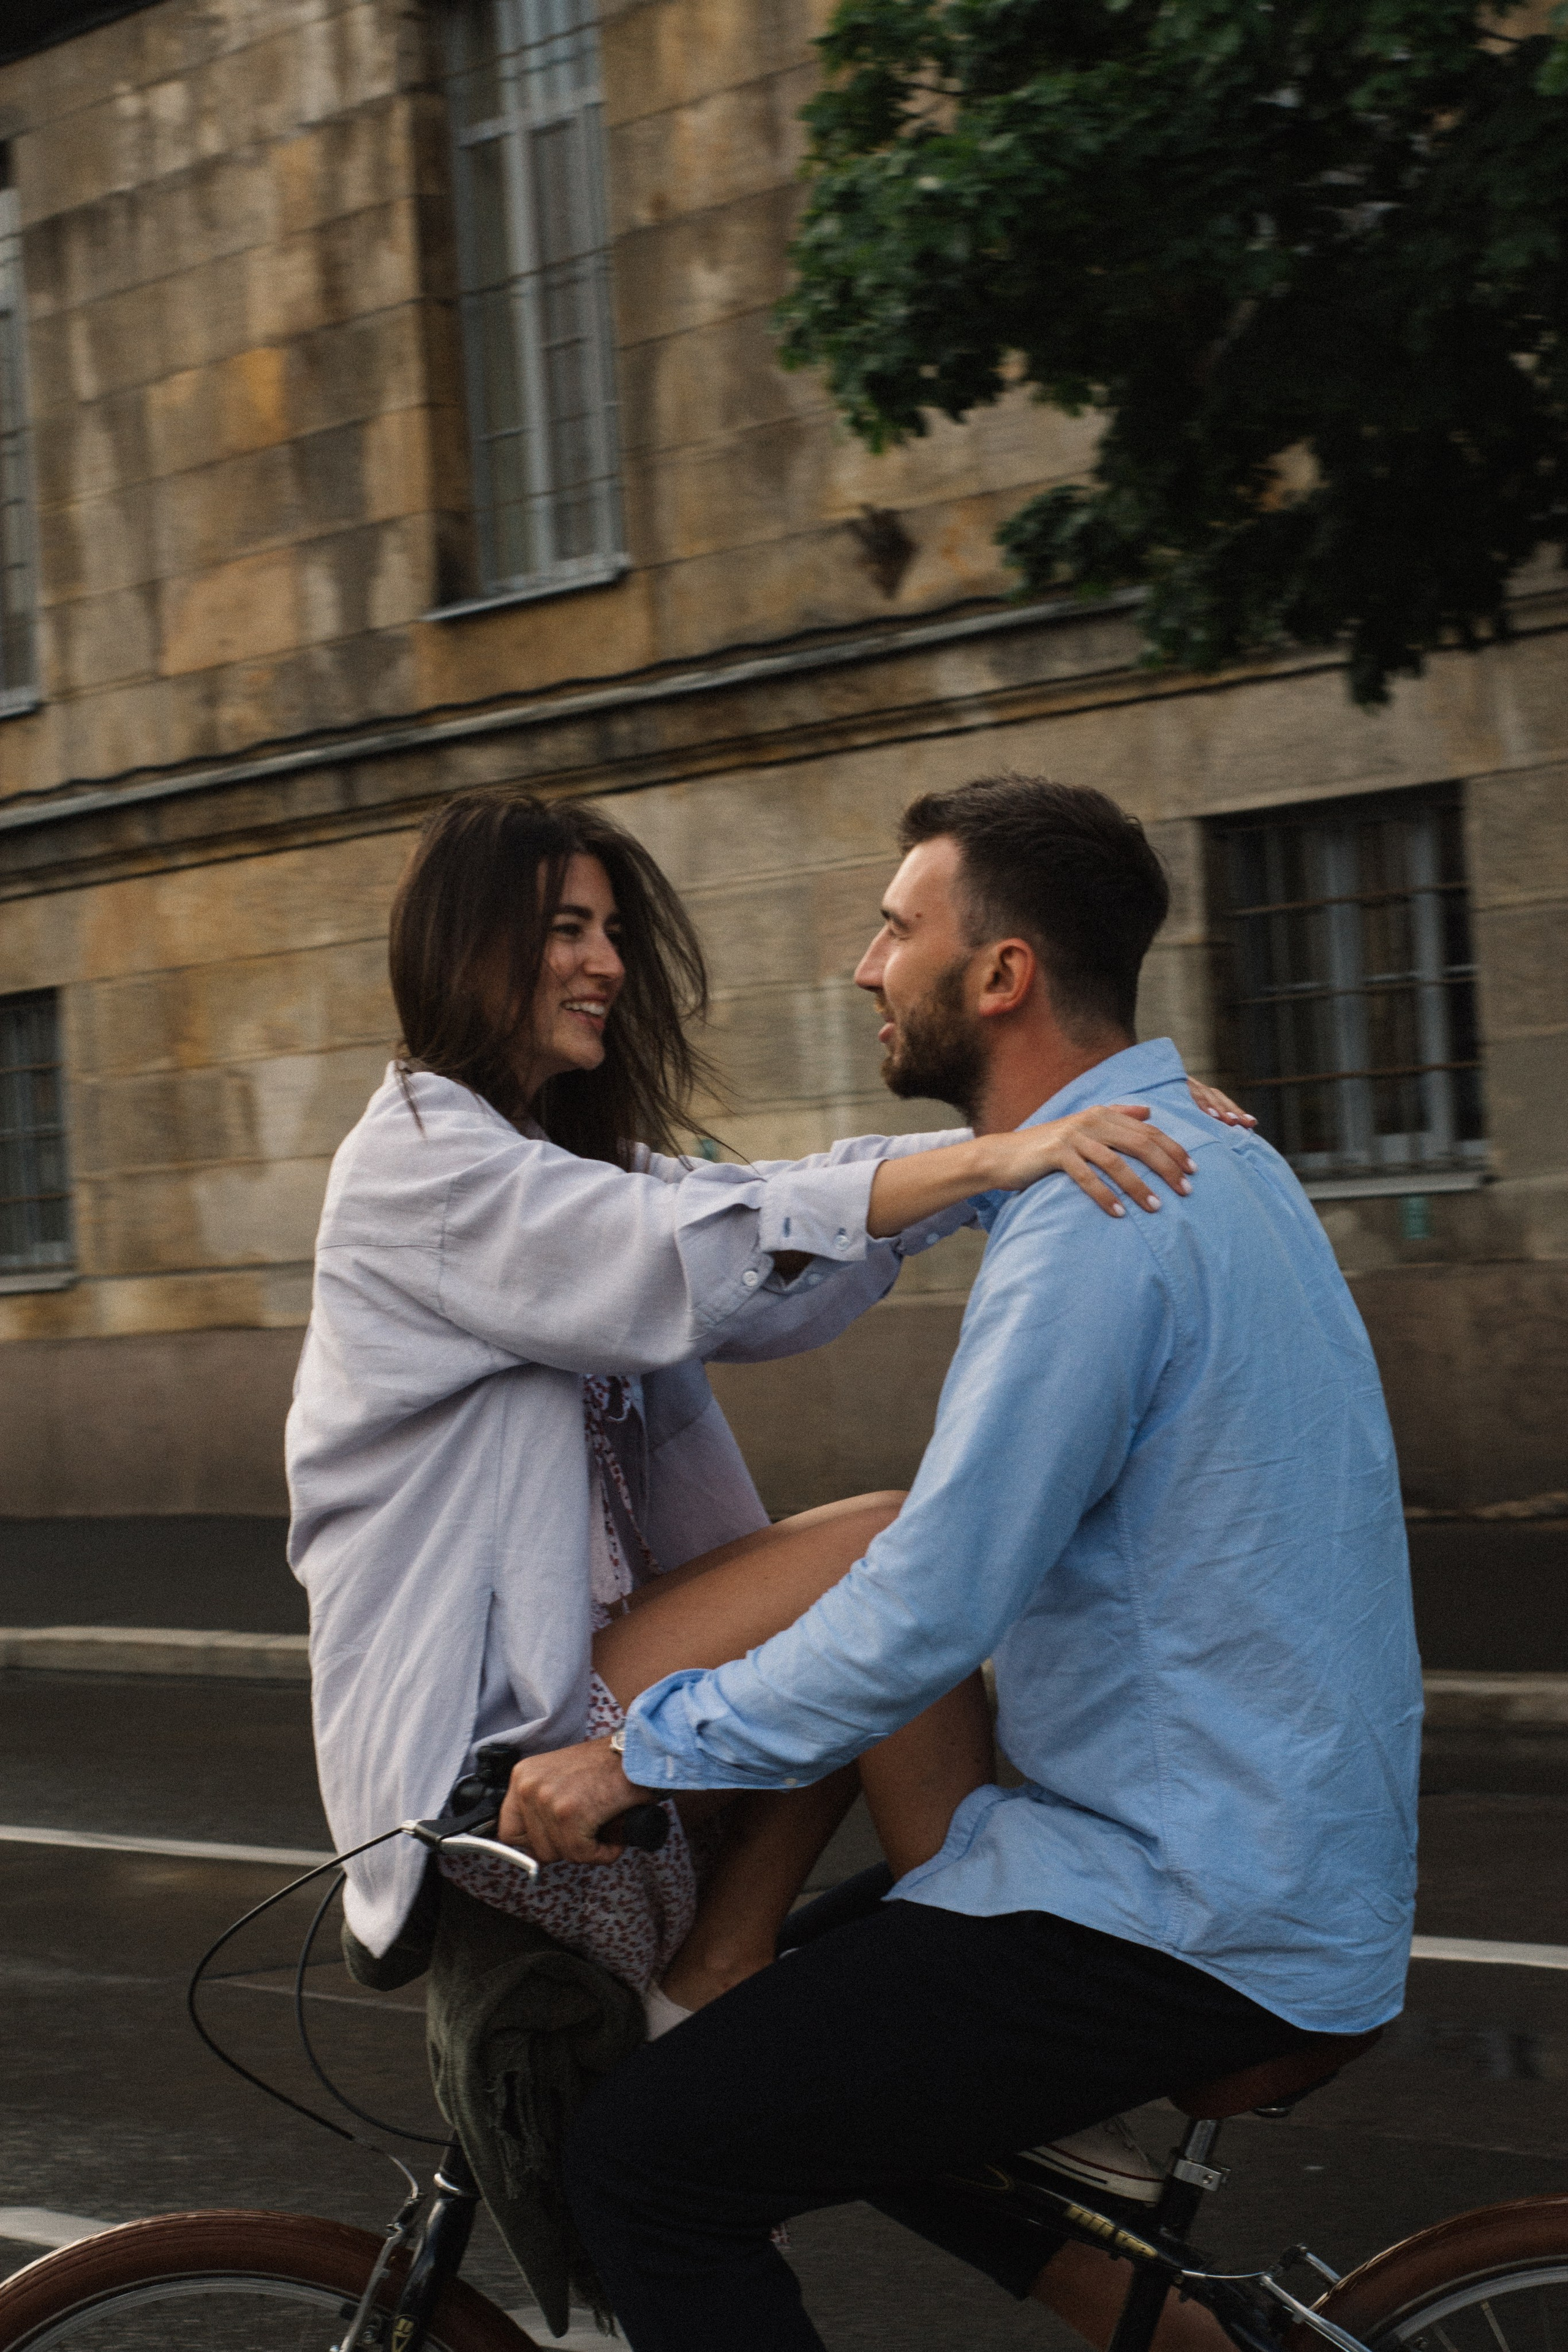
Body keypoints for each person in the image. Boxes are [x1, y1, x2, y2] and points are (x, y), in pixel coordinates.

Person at [502, 775, 1423, 2352]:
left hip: (1185, 1897)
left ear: (998, 977)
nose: (865, 966)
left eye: (893, 928)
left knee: (648, 2164)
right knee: (798, 2046)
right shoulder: (1200, 1156)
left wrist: (637, 1753)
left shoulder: (1102, 1227)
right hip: (1243, 1854)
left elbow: (928, 1601)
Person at [285, 788, 1223, 2025]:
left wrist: (1044, 1139)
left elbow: (774, 1226)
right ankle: (989, 1988)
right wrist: (1004, 1156)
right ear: (465, 944)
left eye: (613, 933)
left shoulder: (548, 1160)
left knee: (865, 1636)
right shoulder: (419, 1166)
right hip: (496, 1766)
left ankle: (724, 1967)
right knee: (890, 1555)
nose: (606, 965)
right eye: (568, 930)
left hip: (596, 1694)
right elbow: (682, 1245)